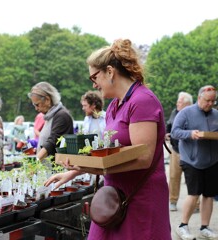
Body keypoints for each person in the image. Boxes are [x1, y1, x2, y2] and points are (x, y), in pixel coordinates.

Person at [44, 39, 171, 239]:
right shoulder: (114, 106)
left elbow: (143, 158)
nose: (93, 84)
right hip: (113, 197)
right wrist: (74, 171)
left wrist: (90, 168)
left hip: (140, 199)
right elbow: (108, 150)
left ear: (110, 72)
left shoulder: (142, 101)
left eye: (94, 77)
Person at [171, 85, 218, 240]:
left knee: (209, 195)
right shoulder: (186, 113)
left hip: (212, 160)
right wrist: (191, 134)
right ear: (199, 98)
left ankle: (205, 227)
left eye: (213, 101)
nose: (210, 104)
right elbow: (175, 132)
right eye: (207, 101)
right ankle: (183, 226)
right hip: (191, 160)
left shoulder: (216, 114)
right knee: (193, 194)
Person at [28, 81, 74, 161]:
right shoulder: (50, 116)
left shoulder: (61, 116)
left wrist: (35, 161)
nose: (36, 108)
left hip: (56, 169)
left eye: (37, 104)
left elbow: (52, 142)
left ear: (47, 100)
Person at [166, 92, 193, 211]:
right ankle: (172, 201)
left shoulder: (193, 114)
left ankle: (195, 204)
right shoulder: (174, 112)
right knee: (173, 176)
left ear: (187, 104)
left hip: (190, 151)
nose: (177, 103)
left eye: (180, 102)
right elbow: (169, 125)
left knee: (192, 178)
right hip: (175, 150)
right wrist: (167, 134)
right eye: (178, 101)